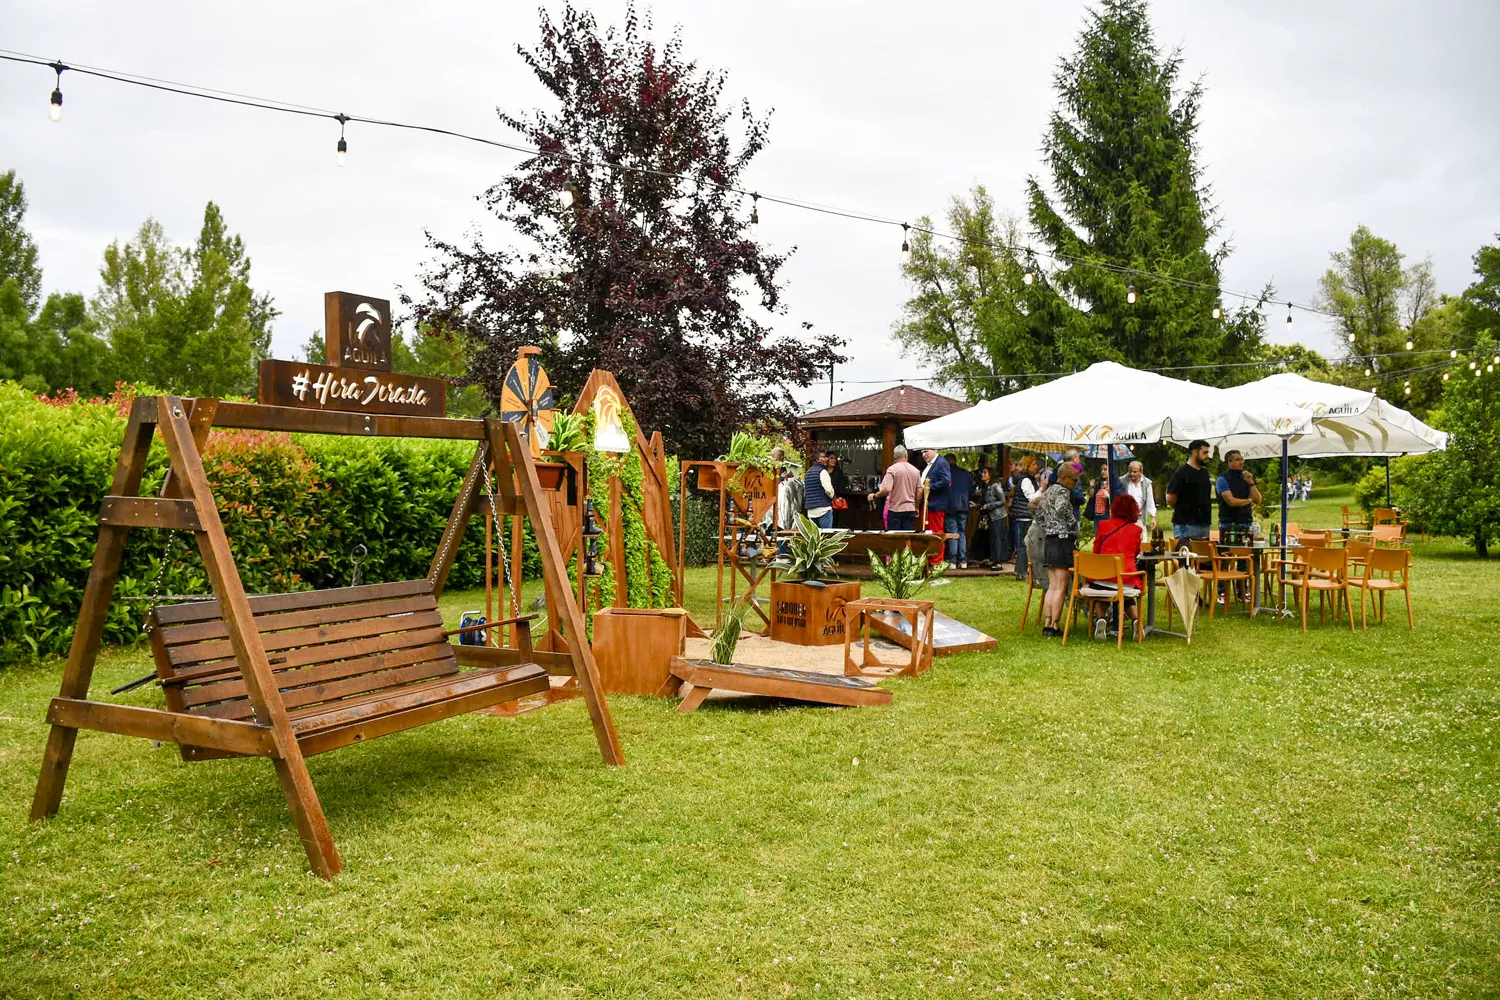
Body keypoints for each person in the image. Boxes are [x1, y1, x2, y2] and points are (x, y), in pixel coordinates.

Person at [1088, 493, 1145, 639]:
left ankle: (1101, 619)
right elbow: (1136, 552)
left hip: (1102, 577)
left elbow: (1096, 551)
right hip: (1126, 579)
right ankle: (1136, 621)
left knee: (1103, 592)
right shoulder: (1136, 530)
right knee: (1125, 594)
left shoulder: (1103, 525)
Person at [1034, 462, 1081, 637]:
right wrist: (1072, 524)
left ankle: (1047, 622)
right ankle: (1054, 625)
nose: (1075, 484)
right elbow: (1062, 508)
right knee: (1061, 587)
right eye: (1074, 480)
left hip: (1050, 540)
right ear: (1064, 478)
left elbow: (1038, 515)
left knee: (1052, 586)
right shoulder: (1062, 491)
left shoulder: (1048, 491)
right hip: (1063, 540)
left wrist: (1049, 526)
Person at [1166, 439, 1214, 542]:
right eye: (1204, 452)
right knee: (1187, 556)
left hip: (1204, 523)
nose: (1207, 456)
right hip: (1186, 524)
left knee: (1204, 556)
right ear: (1195, 452)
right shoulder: (1182, 472)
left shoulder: (1204, 472)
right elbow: (1170, 497)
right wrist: (1185, 507)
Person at [871, 445, 920, 531]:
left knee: (894, 538)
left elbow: (887, 489)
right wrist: (916, 506)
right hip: (910, 509)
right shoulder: (915, 470)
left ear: (894, 457)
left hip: (895, 510)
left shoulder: (892, 469)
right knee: (907, 538)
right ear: (906, 455)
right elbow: (920, 490)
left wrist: (875, 496)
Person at [918, 448, 951, 565]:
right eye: (922, 452)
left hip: (936, 504)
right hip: (928, 504)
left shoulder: (941, 463)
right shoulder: (931, 465)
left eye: (926, 451)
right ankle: (930, 559)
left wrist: (929, 487)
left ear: (935, 450)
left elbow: (946, 480)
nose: (923, 454)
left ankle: (937, 561)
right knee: (928, 532)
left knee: (936, 532)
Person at [1009, 457, 1039, 581]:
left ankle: (1020, 570)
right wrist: (1042, 489)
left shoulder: (1024, 479)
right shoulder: (1026, 480)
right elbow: (1031, 498)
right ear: (1027, 466)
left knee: (1023, 543)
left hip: (1022, 514)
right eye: (1033, 464)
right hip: (1025, 515)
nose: (1036, 466)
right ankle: (1021, 571)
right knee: (1025, 544)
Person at [1216, 449, 1261, 531]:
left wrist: (1250, 482)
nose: (1241, 462)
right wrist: (1250, 501)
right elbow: (1231, 502)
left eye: (1242, 459)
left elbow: (1258, 500)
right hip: (1229, 524)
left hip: (1247, 523)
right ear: (1229, 462)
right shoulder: (1222, 479)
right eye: (1237, 460)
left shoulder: (1245, 477)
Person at [945, 453, 973, 569]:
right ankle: (963, 561)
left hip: (950, 506)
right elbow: (971, 488)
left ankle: (952, 561)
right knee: (961, 533)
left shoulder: (946, 473)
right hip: (963, 506)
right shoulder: (966, 473)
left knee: (952, 533)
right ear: (955, 461)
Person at [980, 465, 1009, 569]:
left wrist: (989, 505)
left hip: (997, 515)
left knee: (996, 538)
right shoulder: (985, 486)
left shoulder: (996, 486)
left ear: (990, 475)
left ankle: (998, 561)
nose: (982, 474)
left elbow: (1002, 501)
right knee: (991, 538)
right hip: (990, 516)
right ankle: (992, 559)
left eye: (985, 473)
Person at [803, 450, 837, 529]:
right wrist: (833, 496)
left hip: (811, 510)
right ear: (817, 459)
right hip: (823, 509)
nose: (826, 459)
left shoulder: (808, 472)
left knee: (815, 538)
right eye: (824, 457)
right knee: (826, 537)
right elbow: (829, 490)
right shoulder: (822, 472)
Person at [1122, 460, 1157, 529]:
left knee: (1142, 539)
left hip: (1140, 519)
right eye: (1130, 471)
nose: (1132, 474)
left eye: (1135, 472)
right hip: (1125, 520)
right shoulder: (1122, 481)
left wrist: (1153, 517)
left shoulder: (1147, 483)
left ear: (1141, 472)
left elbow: (1150, 501)